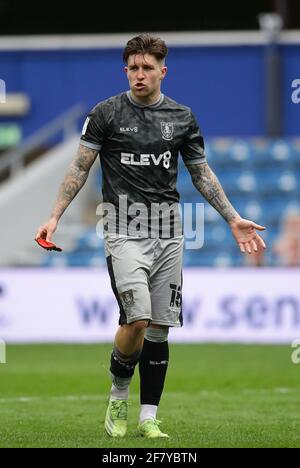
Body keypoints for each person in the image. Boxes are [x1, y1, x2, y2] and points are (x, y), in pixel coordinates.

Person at [35, 33, 266, 439]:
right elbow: (78, 168)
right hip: (123, 230)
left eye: (147, 67)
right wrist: (54, 216)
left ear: (163, 70)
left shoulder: (182, 117)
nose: (139, 75)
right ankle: (118, 394)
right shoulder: (105, 114)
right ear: (125, 70)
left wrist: (232, 218)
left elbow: (202, 173)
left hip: (170, 233)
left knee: (160, 327)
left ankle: (148, 418)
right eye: (133, 68)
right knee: (137, 318)